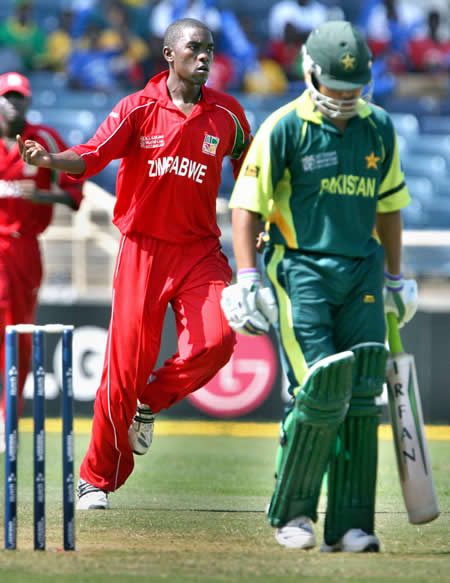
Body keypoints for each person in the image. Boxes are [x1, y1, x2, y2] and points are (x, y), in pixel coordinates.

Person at [18, 18, 252, 509]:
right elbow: (91, 155)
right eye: (194, 48)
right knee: (121, 372)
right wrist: (50, 161)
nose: (205, 56)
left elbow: (253, 167)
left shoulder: (228, 115)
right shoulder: (138, 109)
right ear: (169, 54)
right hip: (143, 249)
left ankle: (151, 402)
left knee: (218, 340)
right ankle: (96, 479)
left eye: (210, 48)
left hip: (199, 251)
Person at [221, 20, 418, 552]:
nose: (345, 98)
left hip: (363, 274)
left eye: (354, 89)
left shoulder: (378, 127)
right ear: (310, 73)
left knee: (361, 393)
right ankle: (294, 515)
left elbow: (390, 206)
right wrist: (245, 278)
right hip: (300, 269)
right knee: (321, 388)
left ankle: (352, 525)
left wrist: (397, 277)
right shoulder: (285, 126)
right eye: (335, 87)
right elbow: (246, 204)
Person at [0, 72, 84, 453]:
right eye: (8, 97)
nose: (14, 104)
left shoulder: (43, 139)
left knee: (17, 332)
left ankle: (7, 418)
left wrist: (41, 196)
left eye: (21, 98)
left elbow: (74, 194)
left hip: (21, 246)